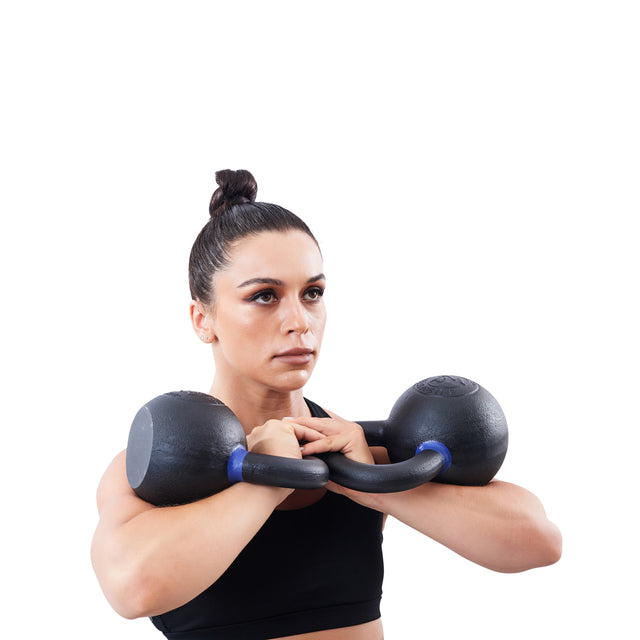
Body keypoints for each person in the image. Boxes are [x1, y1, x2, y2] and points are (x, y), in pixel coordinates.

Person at [91, 169, 562, 640]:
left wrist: (371, 486)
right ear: (202, 318)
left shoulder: (364, 455)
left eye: (312, 293)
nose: (299, 321)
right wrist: (267, 481)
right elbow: (132, 588)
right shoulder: (156, 465)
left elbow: (538, 541)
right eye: (264, 296)